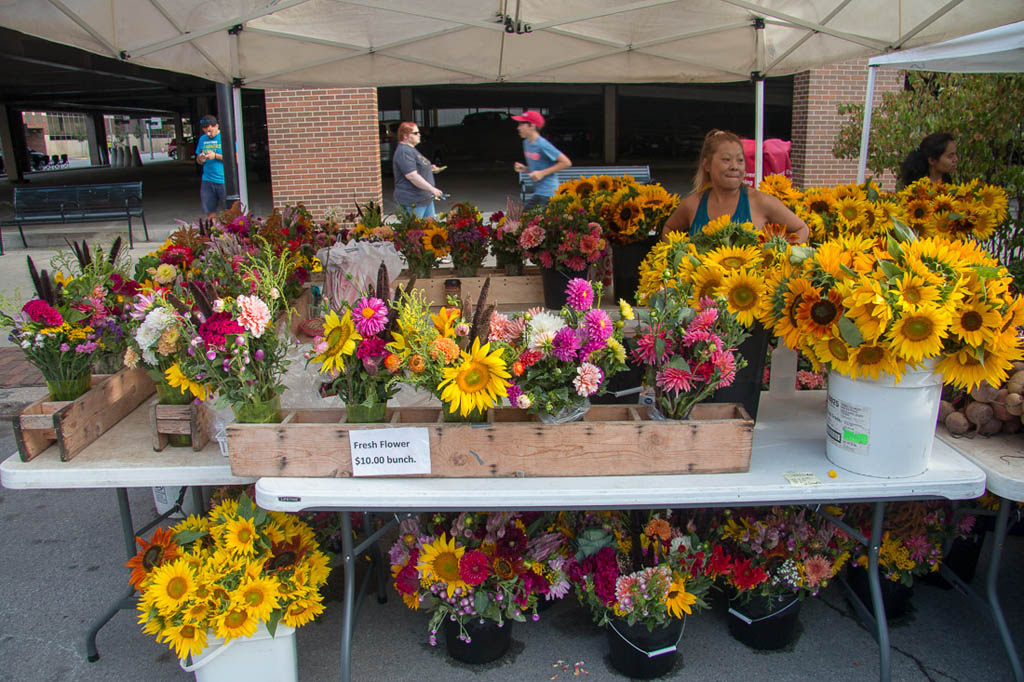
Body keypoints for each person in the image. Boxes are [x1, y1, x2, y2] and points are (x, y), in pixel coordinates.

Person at [662, 129, 809, 242]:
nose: (735, 167)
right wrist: (679, 255)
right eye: (726, 160)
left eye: (740, 160)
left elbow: (801, 228)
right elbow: (669, 228)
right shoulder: (693, 204)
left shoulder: (760, 202)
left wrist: (781, 257)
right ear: (707, 164)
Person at [512, 110, 572, 210]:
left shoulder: (542, 144)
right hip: (539, 193)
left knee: (529, 220)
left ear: (532, 126)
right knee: (525, 219)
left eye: (522, 124)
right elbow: (538, 166)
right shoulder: (526, 143)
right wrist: (525, 169)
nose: (518, 128)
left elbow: (566, 162)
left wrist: (542, 173)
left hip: (550, 194)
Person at [393, 121, 444, 219]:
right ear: (405, 136)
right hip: (413, 201)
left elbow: (417, 167)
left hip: (424, 199)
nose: (419, 135)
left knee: (429, 230)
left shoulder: (411, 150)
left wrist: (429, 168)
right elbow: (411, 175)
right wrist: (431, 189)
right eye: (415, 133)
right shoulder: (404, 151)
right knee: (415, 232)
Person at [195, 115, 226, 218]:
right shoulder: (202, 139)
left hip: (223, 180)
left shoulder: (225, 137)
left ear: (216, 126)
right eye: (205, 131)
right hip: (207, 180)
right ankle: (212, 232)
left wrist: (215, 156)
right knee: (209, 212)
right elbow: (198, 159)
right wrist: (201, 159)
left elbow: (235, 158)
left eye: (210, 131)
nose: (208, 134)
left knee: (229, 212)